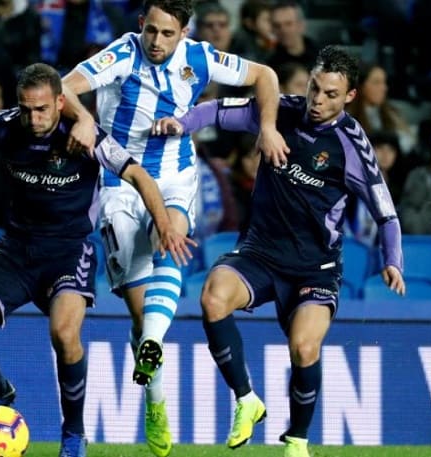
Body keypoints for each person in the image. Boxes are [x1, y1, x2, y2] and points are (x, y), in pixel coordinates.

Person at [0, 62, 194, 457]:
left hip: (68, 250)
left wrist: (165, 223)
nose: (33, 118)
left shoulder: (86, 136)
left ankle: (74, 433)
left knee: (65, 335)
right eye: (26, 108)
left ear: (60, 102)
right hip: (17, 247)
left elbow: (139, 176)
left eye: (42, 109)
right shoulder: (5, 125)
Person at [153, 45, 406, 457]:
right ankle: (246, 400)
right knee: (214, 296)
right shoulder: (279, 111)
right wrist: (182, 124)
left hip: (315, 268)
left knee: (305, 347)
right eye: (314, 88)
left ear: (350, 97)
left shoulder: (353, 147)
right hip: (260, 254)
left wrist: (392, 260)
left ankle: (297, 441)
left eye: (330, 94)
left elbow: (387, 214)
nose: (318, 101)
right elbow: (217, 110)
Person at [60, 1, 289, 455]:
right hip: (119, 183)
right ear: (141, 25)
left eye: (169, 34)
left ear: (184, 32)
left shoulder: (201, 57)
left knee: (173, 239)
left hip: (176, 175)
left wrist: (267, 126)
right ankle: (155, 398)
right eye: (152, 31)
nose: (157, 42)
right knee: (141, 311)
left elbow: (265, 75)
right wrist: (85, 118)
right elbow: (63, 86)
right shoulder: (122, 54)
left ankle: (149, 348)